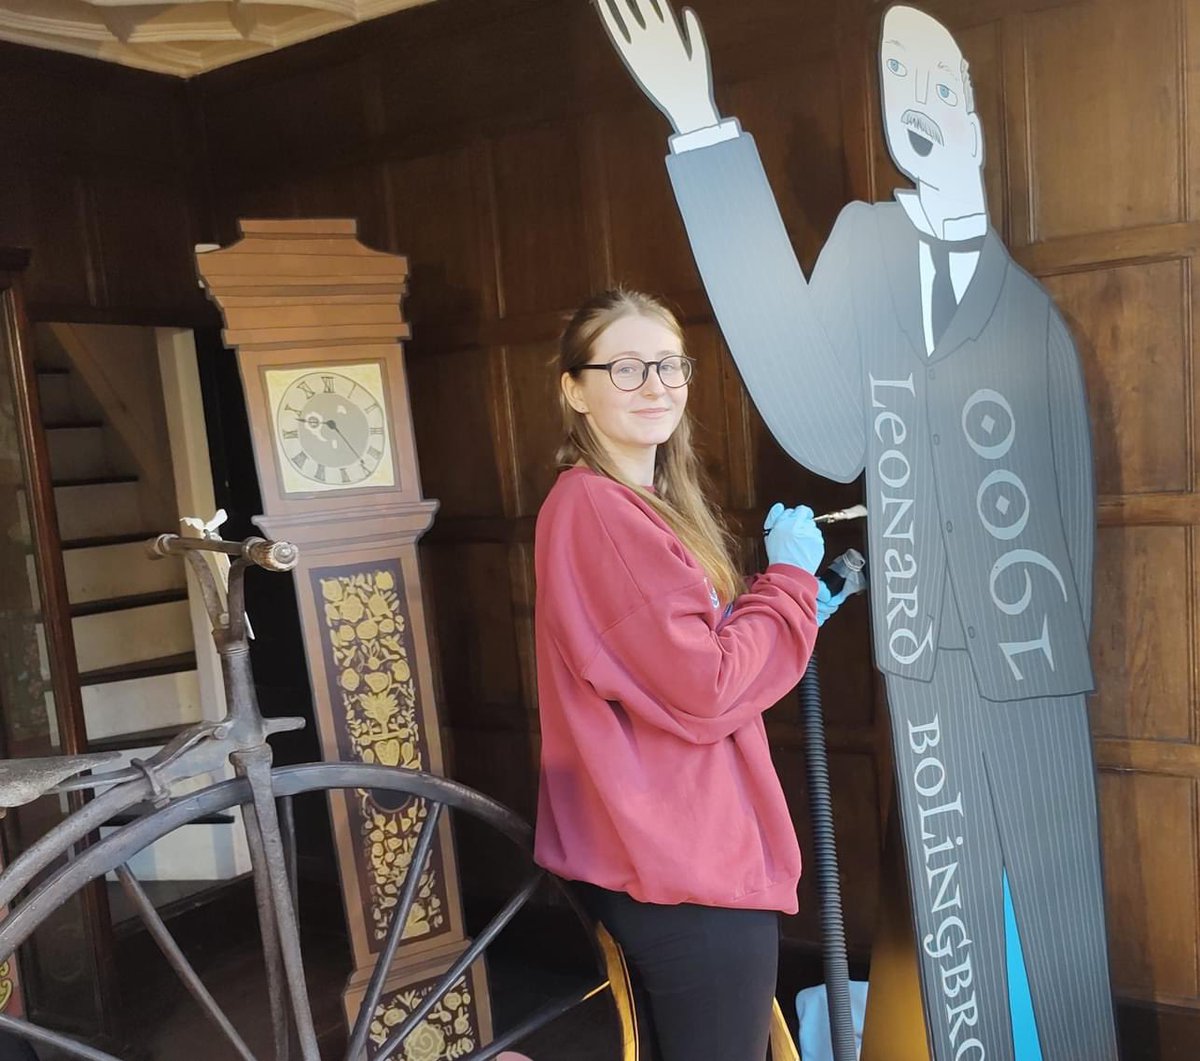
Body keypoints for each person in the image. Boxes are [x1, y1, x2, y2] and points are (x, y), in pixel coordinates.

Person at [593, 3, 1119, 1059]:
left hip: (1033, 675)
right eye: (896, 81)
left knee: (1054, 945)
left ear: (969, 104)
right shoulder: (869, 245)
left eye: (935, 82)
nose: (915, 105)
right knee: (950, 931)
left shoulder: (1033, 321)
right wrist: (701, 130)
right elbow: (818, 415)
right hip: (928, 667)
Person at [533, 287, 845, 1061]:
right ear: (574, 388)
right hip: (681, 859)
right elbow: (705, 688)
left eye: (670, 365)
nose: (656, 385)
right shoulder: (600, 508)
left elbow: (679, 658)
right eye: (626, 367)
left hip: (676, 849)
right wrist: (789, 583)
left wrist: (788, 608)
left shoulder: (641, 504)